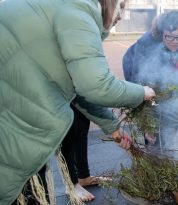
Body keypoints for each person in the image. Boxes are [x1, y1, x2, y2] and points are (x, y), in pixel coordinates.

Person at [0, 0, 156, 204]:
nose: (119, 15)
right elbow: (97, 85)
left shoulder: (61, 6)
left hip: (14, 104)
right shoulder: (79, 10)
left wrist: (113, 127)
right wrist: (141, 92)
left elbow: (79, 88)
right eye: (122, 5)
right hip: (15, 118)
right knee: (21, 185)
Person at [122, 10, 178, 148]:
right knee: (152, 115)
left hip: (171, 70)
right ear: (160, 34)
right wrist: (147, 122)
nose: (174, 42)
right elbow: (138, 83)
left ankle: (168, 144)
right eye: (169, 37)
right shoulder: (146, 43)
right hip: (138, 72)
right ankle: (148, 143)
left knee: (172, 108)